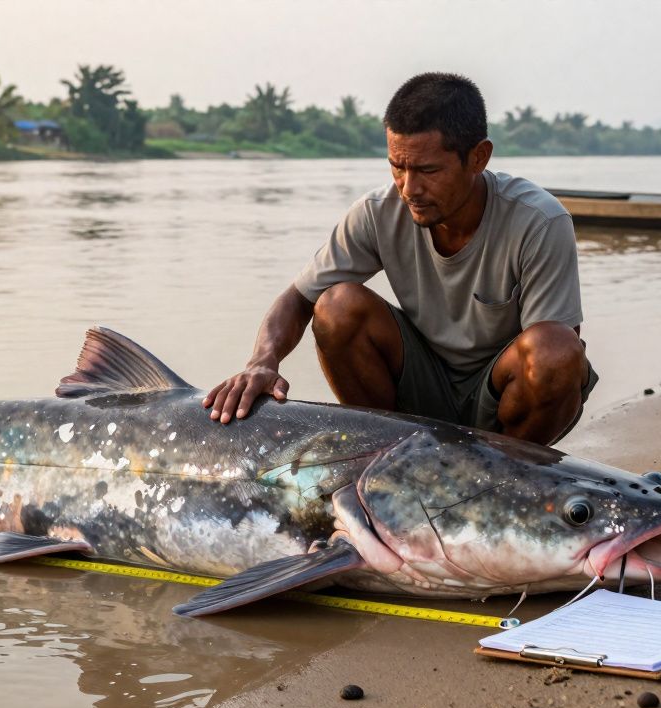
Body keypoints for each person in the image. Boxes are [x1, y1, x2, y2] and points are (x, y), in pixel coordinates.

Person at [203, 72, 597, 446]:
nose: (410, 188)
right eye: (397, 166)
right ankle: (388, 457)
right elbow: (299, 298)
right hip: (419, 386)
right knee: (337, 304)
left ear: (478, 158)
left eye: (428, 170)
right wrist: (262, 361)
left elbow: (557, 360)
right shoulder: (378, 211)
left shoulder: (539, 220)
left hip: (502, 402)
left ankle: (505, 471)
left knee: (555, 348)